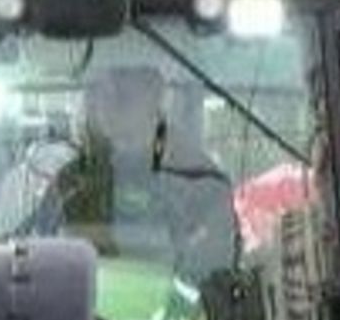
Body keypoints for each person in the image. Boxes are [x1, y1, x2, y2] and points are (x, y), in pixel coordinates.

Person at [42, 63, 237, 278]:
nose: (112, 92)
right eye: (99, 85)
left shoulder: (199, 180)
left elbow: (218, 274)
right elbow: (35, 257)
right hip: (79, 308)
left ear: (155, 89)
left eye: (124, 76)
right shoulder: (70, 183)